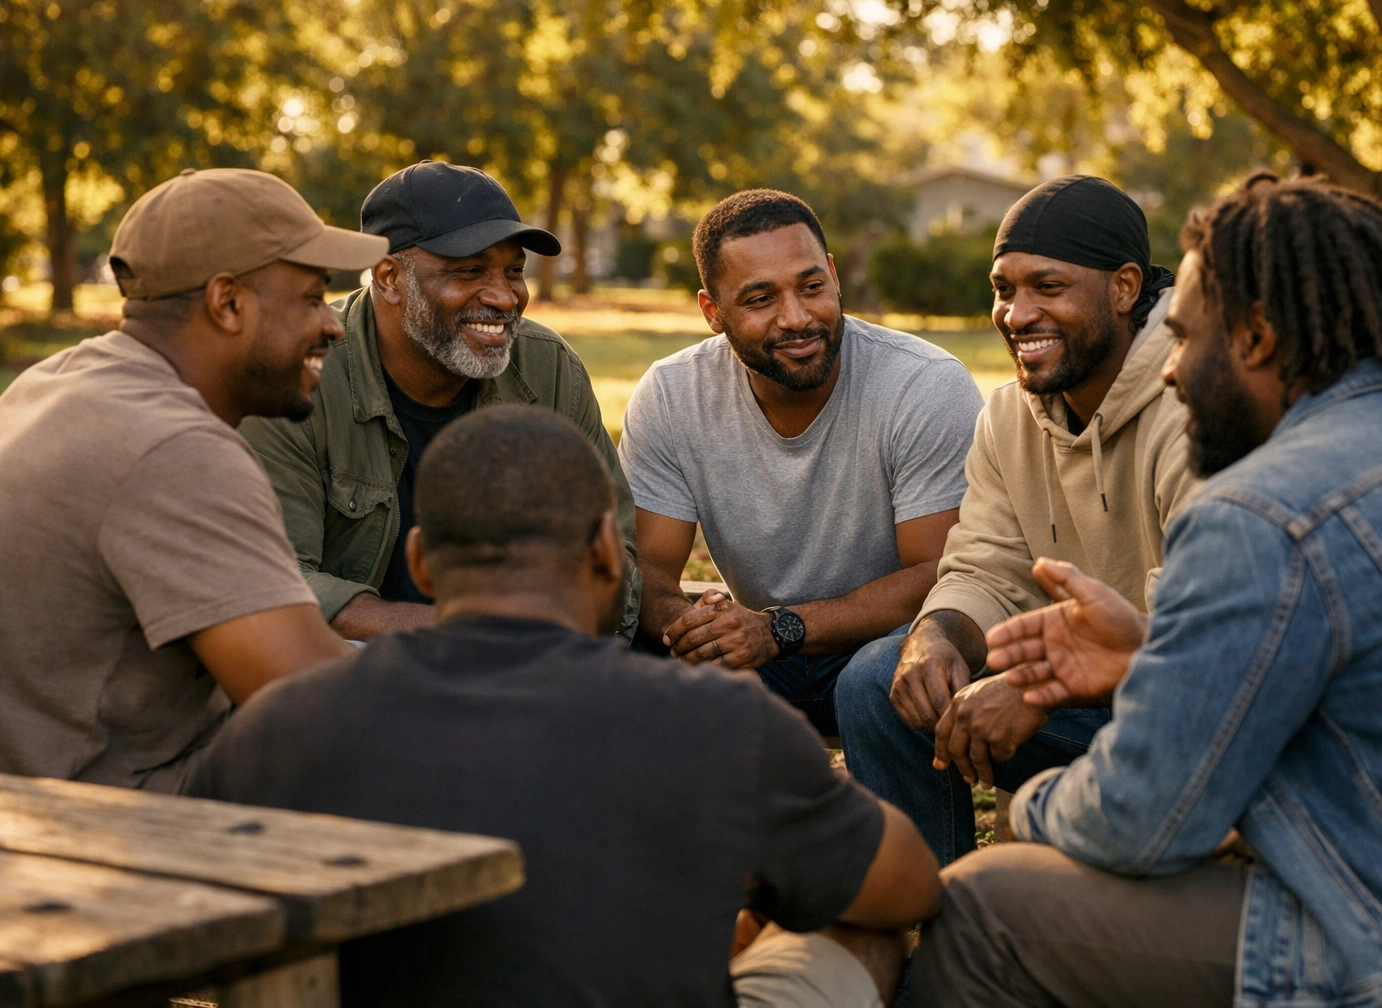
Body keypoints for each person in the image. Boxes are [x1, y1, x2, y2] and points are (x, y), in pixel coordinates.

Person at [909, 173, 1382, 1008]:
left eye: (1184, 339)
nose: (1167, 373)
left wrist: (1031, 807)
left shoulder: (1259, 511)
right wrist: (1149, 655)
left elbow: (1139, 820)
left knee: (986, 907)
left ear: (1258, 338)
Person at [188, 405, 942, 1007]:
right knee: (860, 930)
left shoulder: (274, 725)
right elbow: (907, 885)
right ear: (609, 554)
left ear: (420, 560)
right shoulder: (717, 722)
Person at [836, 175, 1197, 863]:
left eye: (1048, 287)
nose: (1016, 313)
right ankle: (926, 922)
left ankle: (991, 926)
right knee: (883, 680)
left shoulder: (1194, 409)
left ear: (1123, 289)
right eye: (1004, 289)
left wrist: (1037, 691)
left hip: (1176, 711)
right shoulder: (1008, 416)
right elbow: (985, 564)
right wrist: (937, 636)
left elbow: (1208, 632)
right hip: (1065, 687)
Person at [0, 168, 381, 792]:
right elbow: (317, 711)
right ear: (227, 302)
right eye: (311, 299)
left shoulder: (60, 380)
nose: (334, 325)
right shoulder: (175, 449)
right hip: (107, 822)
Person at [620, 189, 983, 735]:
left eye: (812, 287)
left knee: (881, 670)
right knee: (630, 662)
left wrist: (778, 628)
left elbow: (940, 574)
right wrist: (693, 629)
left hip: (889, 647)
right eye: (760, 299)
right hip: (760, 657)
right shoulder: (673, 393)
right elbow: (647, 568)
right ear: (713, 312)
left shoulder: (922, 384)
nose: (797, 318)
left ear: (834, 276)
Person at [240, 160, 641, 642]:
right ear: (388, 278)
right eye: (469, 271)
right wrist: (470, 634)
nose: (504, 297)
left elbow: (615, 556)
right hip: (349, 669)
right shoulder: (299, 372)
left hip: (527, 666)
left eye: (514, 271)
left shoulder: (548, 368)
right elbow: (277, 582)